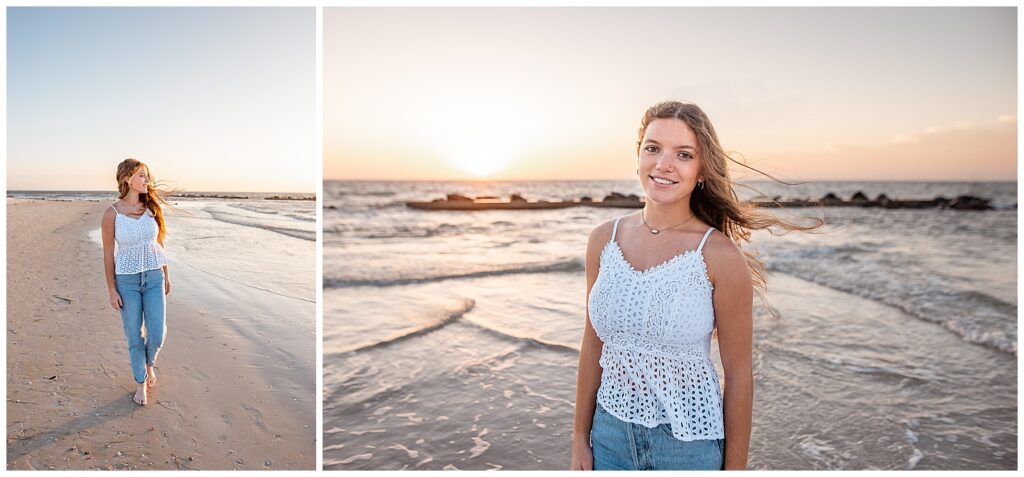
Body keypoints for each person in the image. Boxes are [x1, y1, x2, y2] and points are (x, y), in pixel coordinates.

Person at [571, 101, 820, 470]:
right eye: (653, 148)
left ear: (701, 171)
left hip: (688, 447)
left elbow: (738, 376)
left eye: (683, 154)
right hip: (608, 437)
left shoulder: (719, 255)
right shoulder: (603, 240)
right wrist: (579, 439)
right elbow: (593, 343)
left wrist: (734, 471)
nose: (664, 164)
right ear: (638, 156)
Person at [101, 158, 172, 406]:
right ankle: (140, 382)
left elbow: (158, 243)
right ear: (127, 178)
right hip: (127, 281)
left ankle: (150, 363)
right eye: (142, 175)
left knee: (157, 334)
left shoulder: (152, 208)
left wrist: (166, 274)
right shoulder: (111, 214)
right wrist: (111, 289)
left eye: (147, 176)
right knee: (133, 335)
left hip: (153, 276)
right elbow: (108, 254)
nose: (147, 180)